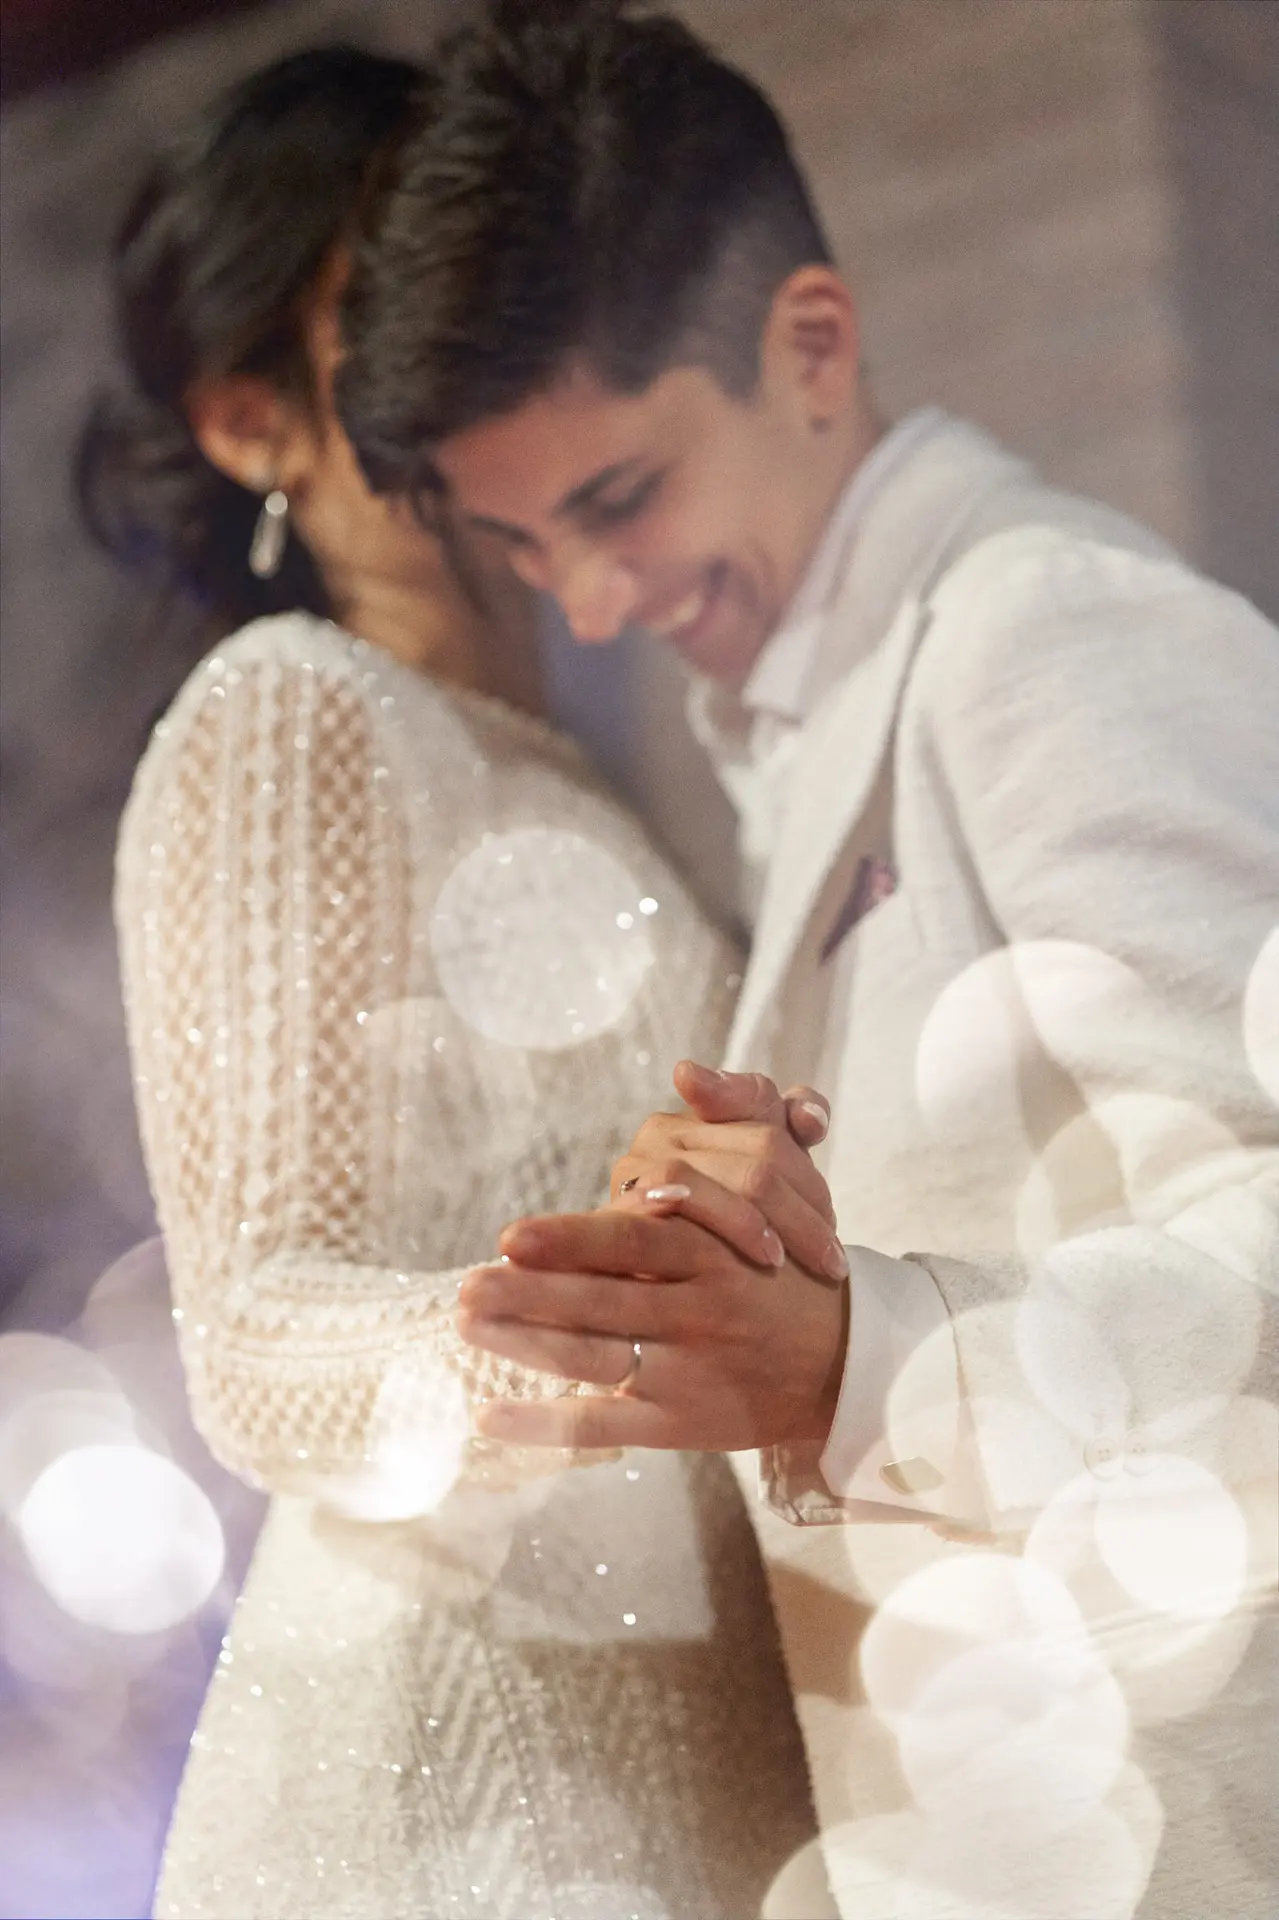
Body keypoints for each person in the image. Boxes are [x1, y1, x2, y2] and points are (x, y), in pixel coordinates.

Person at [335, 3, 1279, 1914]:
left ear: (813, 346)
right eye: (528, 546)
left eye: (620, 500)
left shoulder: (1045, 632)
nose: (594, 601)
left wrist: (863, 1346)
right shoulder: (796, 724)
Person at [83, 45, 826, 1920]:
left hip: (686, 1737)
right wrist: (587, 1326)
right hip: (467, 1773)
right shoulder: (291, 715)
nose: (464, 330)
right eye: (390, 292)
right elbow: (253, 1342)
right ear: (252, 422)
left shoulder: (598, 766)